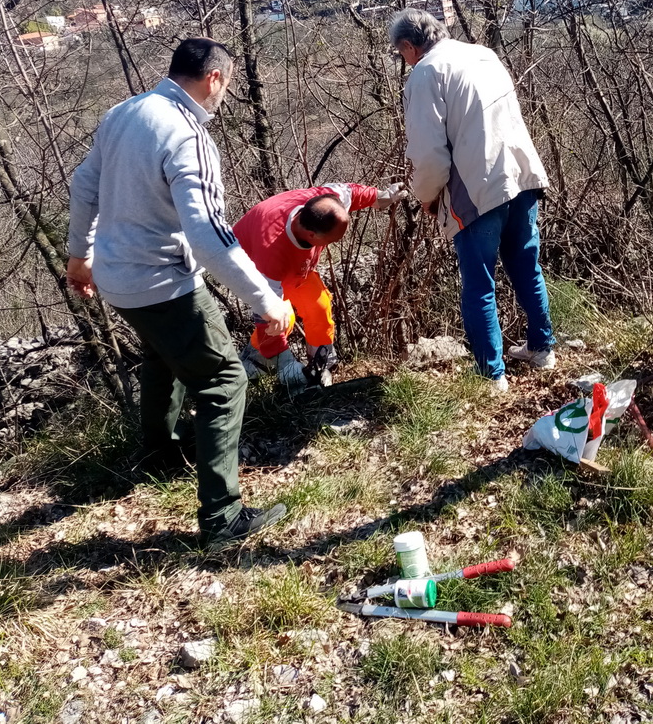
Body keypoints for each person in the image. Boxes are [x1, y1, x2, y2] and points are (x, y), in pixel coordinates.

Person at [66, 38, 293, 547]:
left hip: (117, 279)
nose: (223, 95)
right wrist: (267, 302)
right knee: (224, 380)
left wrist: (79, 255)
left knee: (161, 356)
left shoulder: (124, 113)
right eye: (225, 85)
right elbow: (209, 237)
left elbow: (84, 187)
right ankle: (222, 517)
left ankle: (159, 457)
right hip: (163, 281)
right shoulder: (188, 134)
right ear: (214, 79)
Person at [388, 9, 556, 393]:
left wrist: (427, 197)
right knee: (527, 267)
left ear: (409, 46)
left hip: (476, 190)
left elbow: (429, 155)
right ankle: (542, 349)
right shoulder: (483, 54)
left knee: (479, 284)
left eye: (402, 53)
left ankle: (491, 376)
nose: (404, 60)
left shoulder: (425, 73)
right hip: (520, 174)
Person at [233, 182, 406, 389]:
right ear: (312, 235)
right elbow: (266, 316)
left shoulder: (324, 201)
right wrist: (285, 364)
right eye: (331, 240)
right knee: (283, 318)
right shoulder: (270, 252)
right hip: (254, 270)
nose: (332, 244)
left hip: (297, 269)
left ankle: (320, 365)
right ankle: (256, 363)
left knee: (319, 306)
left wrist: (379, 196)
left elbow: (350, 193)